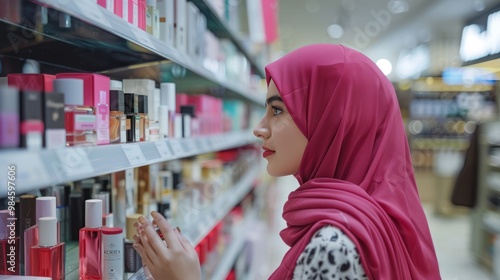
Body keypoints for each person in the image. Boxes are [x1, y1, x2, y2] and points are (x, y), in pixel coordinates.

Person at [132, 44, 442, 279]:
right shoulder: (376, 216)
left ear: (333, 121)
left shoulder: (333, 245)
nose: (259, 127)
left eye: (277, 110)